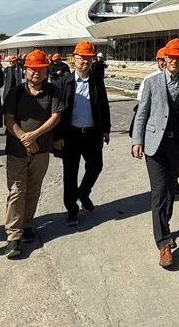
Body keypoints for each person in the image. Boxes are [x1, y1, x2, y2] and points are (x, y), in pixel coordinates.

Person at [131, 38, 179, 268]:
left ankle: (164, 227)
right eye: (171, 57)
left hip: (177, 146)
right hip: (155, 146)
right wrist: (137, 140)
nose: (174, 61)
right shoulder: (152, 82)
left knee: (170, 189)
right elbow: (142, 113)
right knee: (159, 191)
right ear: (165, 58)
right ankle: (163, 243)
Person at [2, 49, 63, 259]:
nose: (36, 73)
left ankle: (27, 224)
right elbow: (9, 119)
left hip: (41, 149)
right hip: (17, 150)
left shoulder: (53, 91)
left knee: (33, 189)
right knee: (17, 191)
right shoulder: (16, 92)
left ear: (46, 70)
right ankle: (13, 235)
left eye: (41, 69)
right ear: (25, 70)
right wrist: (24, 138)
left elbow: (55, 116)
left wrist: (35, 135)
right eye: (32, 69)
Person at [54, 41, 111, 226]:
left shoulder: (97, 81)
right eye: (82, 58)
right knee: (70, 174)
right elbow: (57, 112)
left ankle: (83, 193)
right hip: (70, 135)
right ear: (74, 59)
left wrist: (106, 129)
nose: (85, 62)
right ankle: (72, 210)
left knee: (96, 167)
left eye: (89, 58)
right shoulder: (64, 82)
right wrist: (57, 136)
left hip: (92, 134)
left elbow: (104, 106)